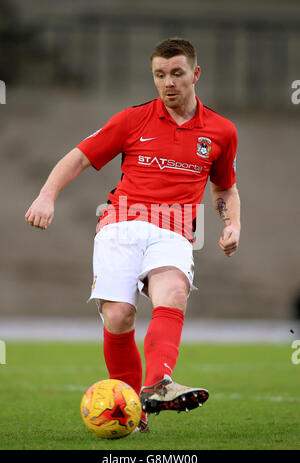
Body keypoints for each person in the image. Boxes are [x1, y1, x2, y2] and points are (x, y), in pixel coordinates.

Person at [25, 38, 241, 433]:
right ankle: (132, 412)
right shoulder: (132, 119)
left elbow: (225, 187)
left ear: (195, 74)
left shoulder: (222, 131)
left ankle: (159, 383)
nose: (168, 83)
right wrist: (46, 195)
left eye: (176, 73)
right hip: (121, 225)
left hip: (174, 228)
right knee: (119, 316)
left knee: (173, 291)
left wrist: (232, 223)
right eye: (160, 75)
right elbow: (78, 157)